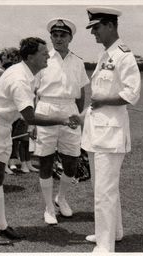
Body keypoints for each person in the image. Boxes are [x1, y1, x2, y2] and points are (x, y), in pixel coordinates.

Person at [0, 37, 79, 245]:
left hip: (1, 128)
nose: (48, 56)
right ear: (30, 57)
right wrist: (63, 119)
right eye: (43, 53)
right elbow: (30, 117)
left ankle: (2, 225)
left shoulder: (27, 73)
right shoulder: (20, 77)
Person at [81, 7, 141, 252]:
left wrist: (105, 101)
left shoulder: (124, 56)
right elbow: (97, 97)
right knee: (103, 187)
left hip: (111, 133)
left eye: (96, 27)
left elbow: (131, 93)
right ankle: (112, 232)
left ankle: (105, 247)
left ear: (109, 25)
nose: (93, 33)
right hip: (96, 130)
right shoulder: (105, 55)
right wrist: (82, 115)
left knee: (104, 192)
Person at [34, 17, 89, 224]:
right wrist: (33, 122)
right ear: (51, 37)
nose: (58, 39)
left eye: (62, 35)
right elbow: (33, 92)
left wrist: (78, 116)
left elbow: (82, 93)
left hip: (69, 108)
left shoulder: (78, 61)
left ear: (70, 38)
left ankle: (61, 198)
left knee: (72, 162)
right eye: (55, 35)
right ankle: (49, 207)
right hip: (46, 107)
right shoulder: (43, 59)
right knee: (46, 161)